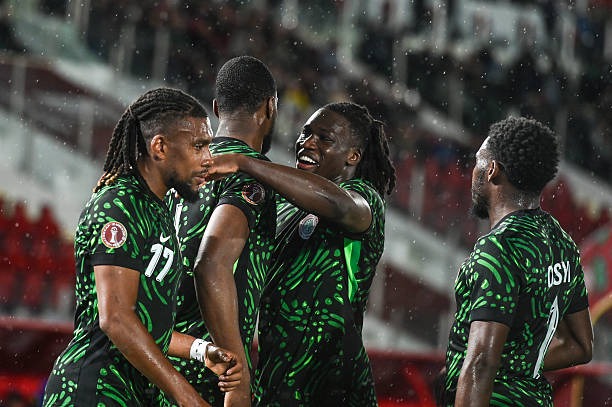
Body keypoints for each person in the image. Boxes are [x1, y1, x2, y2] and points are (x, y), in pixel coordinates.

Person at [42, 87, 242, 407]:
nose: (208, 159)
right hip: (94, 388)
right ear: (159, 147)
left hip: (129, 392)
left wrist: (200, 350)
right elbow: (116, 319)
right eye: (198, 146)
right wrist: (187, 396)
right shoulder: (119, 204)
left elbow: (147, 323)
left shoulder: (156, 208)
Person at [202, 102, 396, 406]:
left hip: (332, 384)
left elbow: (339, 205)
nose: (308, 143)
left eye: (324, 138)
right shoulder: (282, 207)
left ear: (353, 156)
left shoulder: (363, 200)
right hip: (276, 376)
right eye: (306, 133)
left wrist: (244, 163)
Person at [439, 117, 594, 406]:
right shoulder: (561, 242)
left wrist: (486, 368)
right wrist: (518, 362)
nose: (473, 170)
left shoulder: (498, 249)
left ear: (492, 170)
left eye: (478, 161)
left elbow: (481, 363)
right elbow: (580, 345)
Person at [163, 56, 278, 406]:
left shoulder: (180, 169)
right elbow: (211, 264)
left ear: (216, 108)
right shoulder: (249, 172)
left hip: (161, 362)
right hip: (210, 373)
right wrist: (236, 377)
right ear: (270, 107)